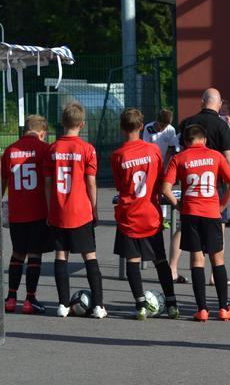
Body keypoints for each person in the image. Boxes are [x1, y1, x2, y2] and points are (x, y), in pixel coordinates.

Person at [162, 124, 230, 321]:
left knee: (197, 260)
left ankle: (202, 309)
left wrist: (179, 206)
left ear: (186, 141)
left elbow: (166, 189)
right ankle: (223, 308)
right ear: (204, 139)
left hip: (191, 213)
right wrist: (222, 205)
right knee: (217, 259)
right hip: (212, 212)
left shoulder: (179, 158)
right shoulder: (216, 156)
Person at [111, 108, 179, 319]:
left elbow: (120, 186)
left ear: (121, 128)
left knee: (132, 261)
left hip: (129, 215)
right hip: (150, 214)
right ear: (141, 126)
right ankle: (172, 304)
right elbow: (160, 180)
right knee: (160, 260)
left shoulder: (118, 155)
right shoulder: (153, 150)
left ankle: (140, 305)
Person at [45, 103, 106, 318]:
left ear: (62, 122)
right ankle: (98, 306)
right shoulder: (87, 149)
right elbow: (91, 183)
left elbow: (48, 184)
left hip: (58, 211)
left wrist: (50, 209)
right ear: (82, 124)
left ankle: (62, 304)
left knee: (61, 255)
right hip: (80, 211)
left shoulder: (52, 149)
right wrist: (94, 209)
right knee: (89, 256)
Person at [179, 88, 230, 286]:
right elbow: (229, 157)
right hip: (215, 185)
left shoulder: (188, 122)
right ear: (219, 105)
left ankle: (176, 268)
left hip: (191, 184)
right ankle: (215, 274)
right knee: (218, 228)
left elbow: (180, 154)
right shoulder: (222, 125)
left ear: (202, 101)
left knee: (190, 233)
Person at [2, 115, 51, 315]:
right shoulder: (45, 149)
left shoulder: (10, 150)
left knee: (17, 253)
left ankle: (11, 298)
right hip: (38, 211)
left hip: (17, 213)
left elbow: (3, 181)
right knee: (34, 255)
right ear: (42, 133)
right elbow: (48, 181)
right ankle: (30, 299)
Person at [142, 108, 184, 282]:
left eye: (165, 125)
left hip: (164, 163)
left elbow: (171, 150)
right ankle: (152, 214)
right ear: (156, 121)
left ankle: (164, 218)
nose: (162, 127)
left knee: (164, 192)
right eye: (161, 124)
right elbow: (146, 147)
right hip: (151, 161)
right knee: (152, 191)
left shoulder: (171, 130)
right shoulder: (148, 128)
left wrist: (165, 165)